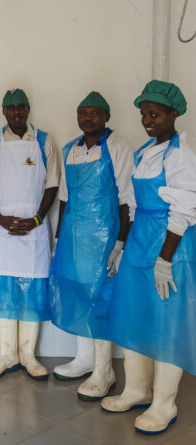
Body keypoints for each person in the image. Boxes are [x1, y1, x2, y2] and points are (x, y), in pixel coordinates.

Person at [102, 80, 196, 435]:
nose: (148, 121)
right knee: (134, 316)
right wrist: (122, 246)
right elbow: (134, 205)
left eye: (155, 114)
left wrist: (165, 259)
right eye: (144, 114)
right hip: (140, 242)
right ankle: (137, 389)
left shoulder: (179, 155)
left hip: (170, 245)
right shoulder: (144, 154)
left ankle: (164, 402)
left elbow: (186, 209)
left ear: (174, 114)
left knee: (167, 322)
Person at [49, 92, 133, 401]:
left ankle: (104, 371)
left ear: (106, 117)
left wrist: (121, 242)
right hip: (73, 239)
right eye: (82, 112)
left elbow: (127, 200)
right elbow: (65, 200)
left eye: (94, 113)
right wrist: (58, 241)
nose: (87, 118)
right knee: (76, 294)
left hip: (104, 238)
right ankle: (84, 359)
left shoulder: (118, 147)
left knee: (100, 300)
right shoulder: (70, 149)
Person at [0, 89, 60, 380]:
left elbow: (52, 185)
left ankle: (28, 354)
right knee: (3, 290)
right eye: (10, 108)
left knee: (32, 291)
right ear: (3, 111)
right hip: (1, 229)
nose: (16, 112)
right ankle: (6, 354)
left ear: (28, 109)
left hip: (35, 229)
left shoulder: (44, 141)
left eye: (20, 107)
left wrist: (37, 219)